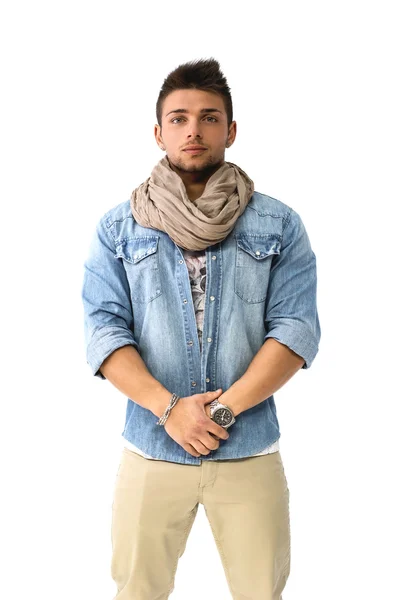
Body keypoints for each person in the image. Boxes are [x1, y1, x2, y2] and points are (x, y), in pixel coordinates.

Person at [81, 57, 321, 600]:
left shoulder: (278, 224)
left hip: (250, 449)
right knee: (137, 592)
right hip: (150, 449)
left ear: (231, 131)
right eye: (180, 118)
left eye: (210, 118)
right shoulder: (119, 227)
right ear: (159, 132)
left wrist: (219, 411)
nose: (194, 130)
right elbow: (104, 332)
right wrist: (170, 410)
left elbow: (295, 331)